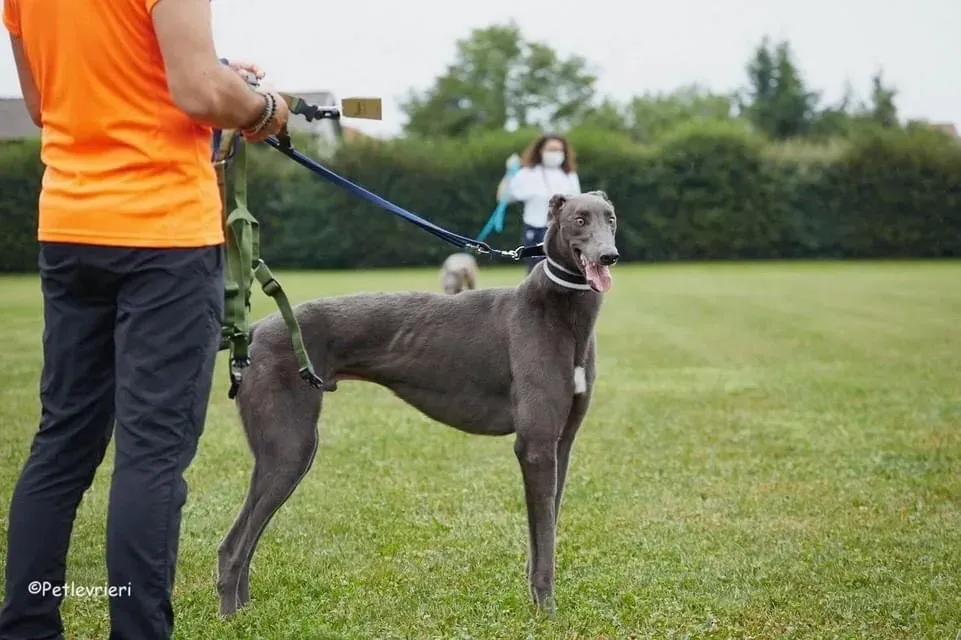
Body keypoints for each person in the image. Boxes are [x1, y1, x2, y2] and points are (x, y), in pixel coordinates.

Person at [0, 0, 289, 638]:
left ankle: (26, 625)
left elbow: (47, 105)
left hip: (70, 226)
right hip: (161, 236)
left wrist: (213, 72)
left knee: (62, 444)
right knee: (152, 453)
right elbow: (198, 94)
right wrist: (264, 108)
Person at [497, 133, 582, 272]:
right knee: (536, 270)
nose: (555, 154)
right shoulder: (528, 173)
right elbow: (504, 197)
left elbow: (577, 203)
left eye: (558, 150)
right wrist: (509, 173)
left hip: (561, 230)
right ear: (541, 151)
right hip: (535, 228)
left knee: (562, 270)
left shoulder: (569, 175)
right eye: (551, 149)